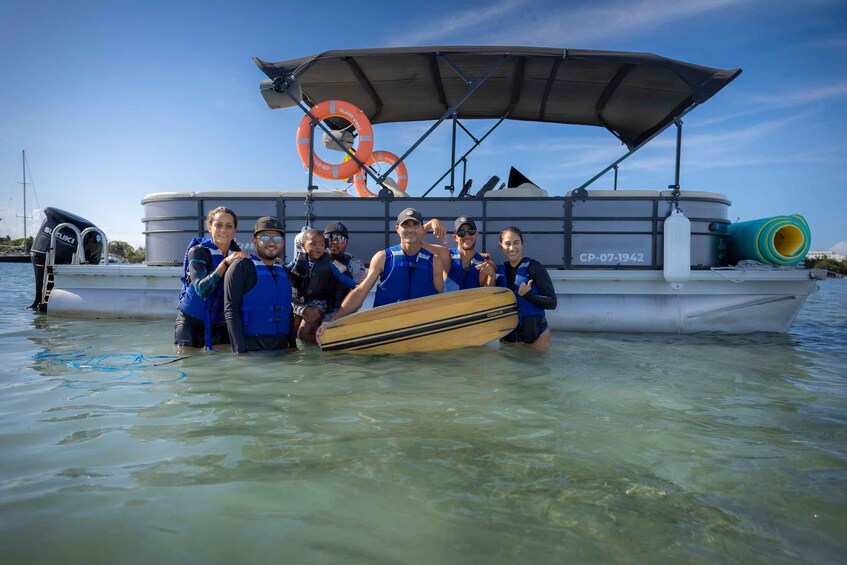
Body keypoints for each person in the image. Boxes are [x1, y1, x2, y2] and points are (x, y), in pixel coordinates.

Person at [317, 207, 445, 336]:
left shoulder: (435, 261)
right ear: (397, 229)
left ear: (422, 229)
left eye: (415, 225)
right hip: (385, 330)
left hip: (422, 330)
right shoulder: (382, 257)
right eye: (405, 225)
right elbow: (361, 291)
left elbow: (440, 299)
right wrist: (332, 321)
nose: (410, 229)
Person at [174, 206, 248, 349]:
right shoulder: (197, 252)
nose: (223, 230)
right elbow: (202, 290)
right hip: (191, 322)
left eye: (228, 226)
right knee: (189, 366)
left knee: (220, 368)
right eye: (218, 225)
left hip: (220, 323)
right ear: (209, 227)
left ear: (234, 230)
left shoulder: (240, 257)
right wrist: (225, 263)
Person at [223, 216, 296, 354]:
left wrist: (293, 346)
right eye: (265, 238)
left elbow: (288, 311)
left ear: (282, 243)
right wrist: (240, 352)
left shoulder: (284, 271)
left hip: (282, 348)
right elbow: (230, 310)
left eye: (276, 238)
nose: (271, 243)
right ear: (255, 242)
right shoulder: (241, 267)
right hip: (252, 348)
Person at [287, 228, 356, 344]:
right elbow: (285, 270)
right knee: (293, 331)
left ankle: (326, 345)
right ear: (303, 246)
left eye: (322, 244)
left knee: (302, 333)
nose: (318, 247)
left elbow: (341, 277)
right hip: (304, 302)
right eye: (313, 244)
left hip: (319, 303)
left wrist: (357, 286)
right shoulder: (298, 261)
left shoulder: (328, 264)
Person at [495, 226, 557, 350]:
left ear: (522, 244)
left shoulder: (535, 268)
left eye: (516, 243)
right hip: (509, 341)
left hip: (537, 340)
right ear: (501, 246)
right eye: (507, 244)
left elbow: (552, 303)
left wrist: (529, 296)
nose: (512, 248)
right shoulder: (498, 272)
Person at [421, 215, 497, 291]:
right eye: (461, 233)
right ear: (455, 237)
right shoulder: (447, 256)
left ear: (476, 234)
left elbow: (487, 294)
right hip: (450, 302)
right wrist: (430, 223)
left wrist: (491, 276)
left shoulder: (485, 264)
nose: (467, 236)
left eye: (471, 231)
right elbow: (415, 243)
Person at [323, 221, 367, 285]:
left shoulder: (354, 264)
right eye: (331, 237)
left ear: (346, 243)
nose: (335, 242)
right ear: (323, 239)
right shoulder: (312, 257)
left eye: (341, 239)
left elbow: (359, 290)